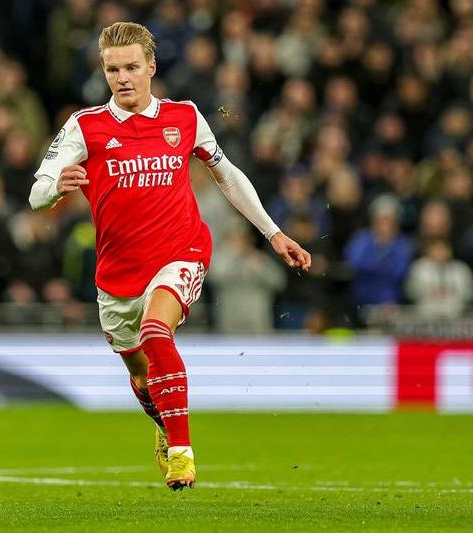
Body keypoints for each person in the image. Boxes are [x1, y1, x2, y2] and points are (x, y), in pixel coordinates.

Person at [29, 22, 310, 491]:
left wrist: (273, 232)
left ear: (151, 67)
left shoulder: (184, 117)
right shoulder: (85, 126)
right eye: (113, 69)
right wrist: (56, 188)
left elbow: (227, 175)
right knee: (141, 375)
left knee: (156, 330)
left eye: (132, 67)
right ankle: (162, 425)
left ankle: (182, 454)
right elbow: (36, 192)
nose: (122, 77)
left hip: (182, 252)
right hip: (117, 274)